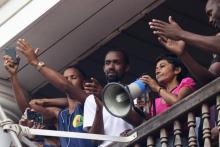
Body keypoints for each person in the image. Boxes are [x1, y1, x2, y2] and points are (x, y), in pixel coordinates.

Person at [16, 39, 94, 147]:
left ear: (84, 82)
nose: (68, 80)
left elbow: (66, 86)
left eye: (73, 77)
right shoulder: (58, 115)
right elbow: (28, 111)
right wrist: (13, 77)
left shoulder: (89, 101)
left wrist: (36, 62)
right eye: (65, 78)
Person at [83, 49, 143, 146]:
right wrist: (99, 108)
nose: (111, 67)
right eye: (108, 63)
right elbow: (95, 140)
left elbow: (140, 122)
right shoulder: (91, 99)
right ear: (103, 68)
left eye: (116, 62)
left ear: (126, 67)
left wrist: (106, 97)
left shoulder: (135, 92)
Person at [139, 54, 196, 146]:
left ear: (177, 70)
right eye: (156, 68)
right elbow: (151, 126)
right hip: (160, 142)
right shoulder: (156, 102)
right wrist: (143, 109)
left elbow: (177, 102)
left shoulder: (186, 82)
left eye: (162, 66)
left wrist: (157, 88)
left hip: (180, 139)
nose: (157, 71)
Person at [3, 56, 60, 147]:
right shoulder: (33, 135)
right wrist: (13, 76)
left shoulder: (59, 132)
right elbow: (27, 111)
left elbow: (28, 111)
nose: (33, 119)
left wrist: (45, 101)